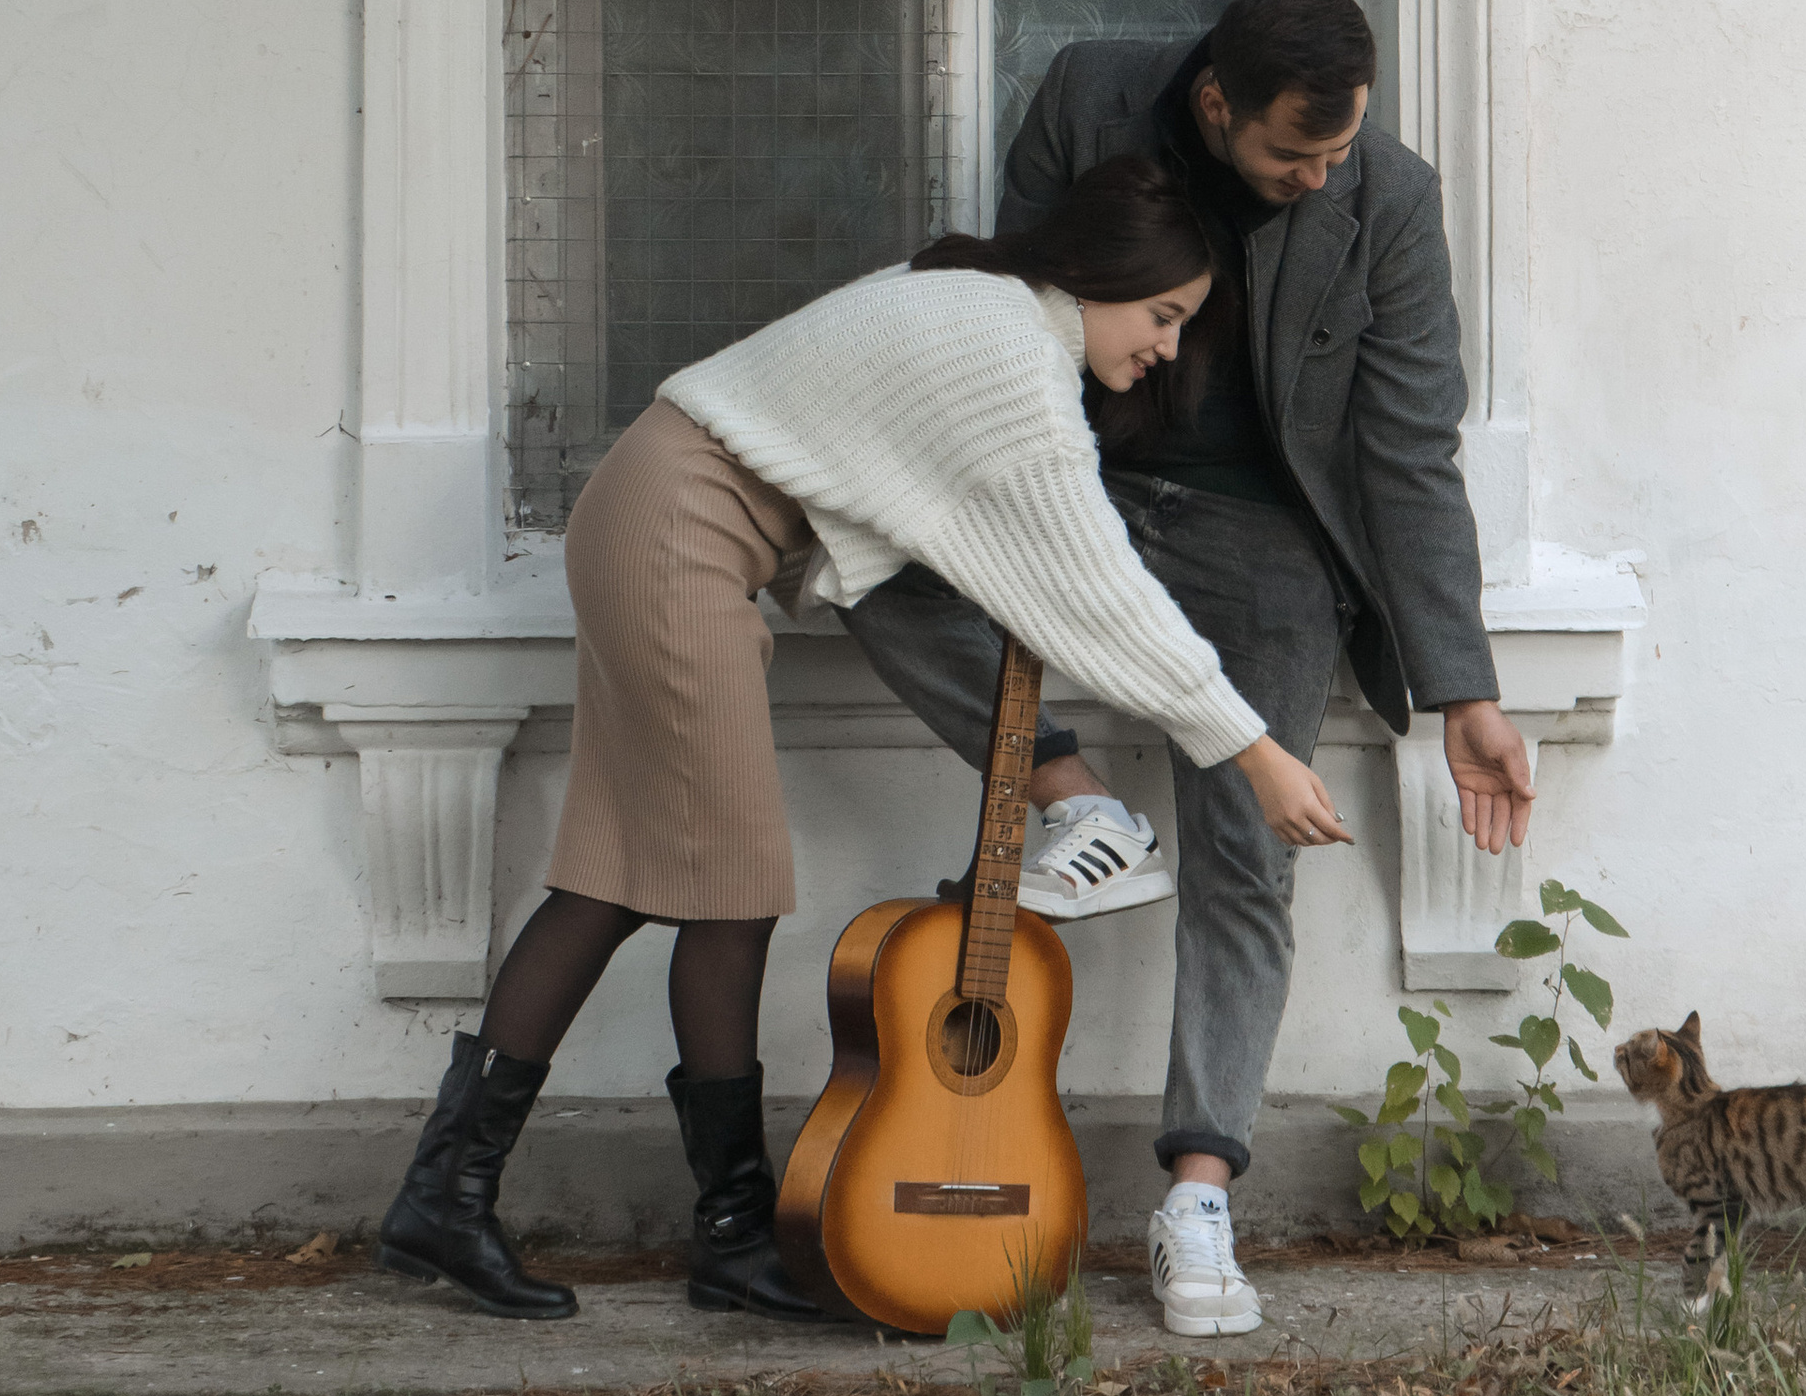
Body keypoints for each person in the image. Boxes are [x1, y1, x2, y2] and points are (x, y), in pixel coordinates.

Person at [371, 158, 1344, 1323]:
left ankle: (459, 1199)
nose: (1170, 348)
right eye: (1164, 315)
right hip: (682, 529)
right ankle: (715, 1229)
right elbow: (1097, 587)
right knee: (723, 887)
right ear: (1097, 278)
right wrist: (1254, 748)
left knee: (616, 877)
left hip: (655, 512)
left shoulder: (981, 309)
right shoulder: (1008, 353)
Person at [846, 0, 1532, 1342]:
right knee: (871, 570)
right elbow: (1009, 313)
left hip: (1262, 532)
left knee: (1246, 844)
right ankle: (1075, 797)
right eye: (1292, 152)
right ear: (1217, 104)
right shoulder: (1094, 95)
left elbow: (1405, 449)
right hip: (1072, 481)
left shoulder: (1386, 200)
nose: (1317, 175)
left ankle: (1201, 1191)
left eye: (1336, 150)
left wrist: (1467, 687)